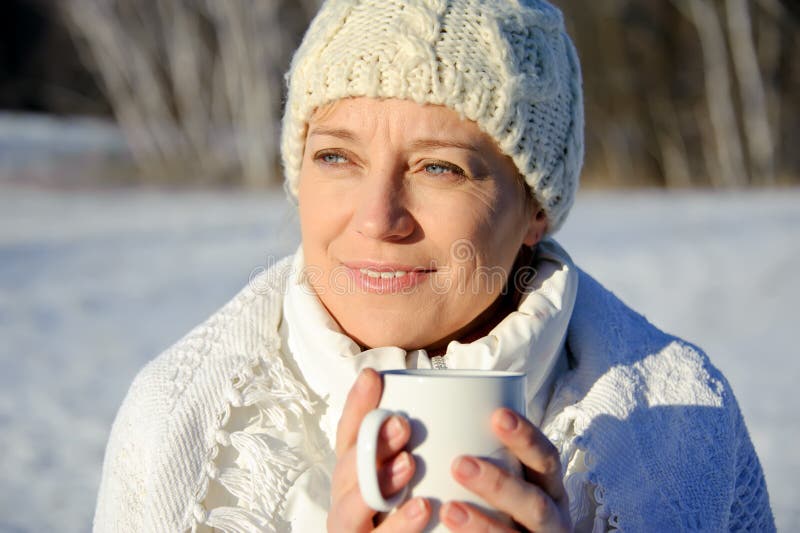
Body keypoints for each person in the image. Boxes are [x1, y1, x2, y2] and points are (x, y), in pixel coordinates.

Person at [93, 0, 775, 531]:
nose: (376, 217)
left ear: (535, 206)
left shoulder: (682, 418)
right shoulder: (184, 422)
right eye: (337, 157)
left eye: (439, 167)